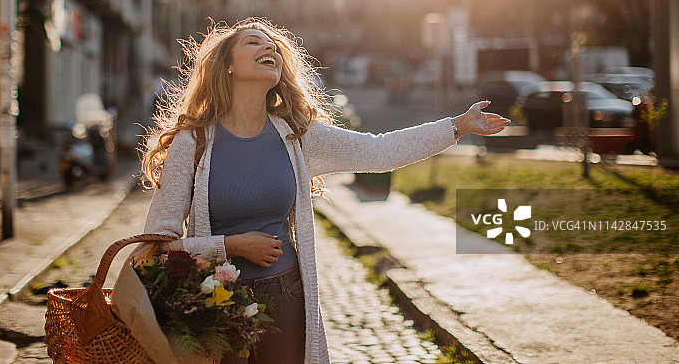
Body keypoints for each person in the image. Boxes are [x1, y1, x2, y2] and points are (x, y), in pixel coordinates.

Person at [115, 18, 510, 364]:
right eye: (252, 42)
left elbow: (381, 150)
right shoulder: (193, 142)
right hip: (211, 300)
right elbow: (158, 244)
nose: (268, 46)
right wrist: (231, 246)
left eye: (272, 44)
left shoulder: (298, 136)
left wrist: (458, 125)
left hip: (286, 293)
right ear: (228, 66)